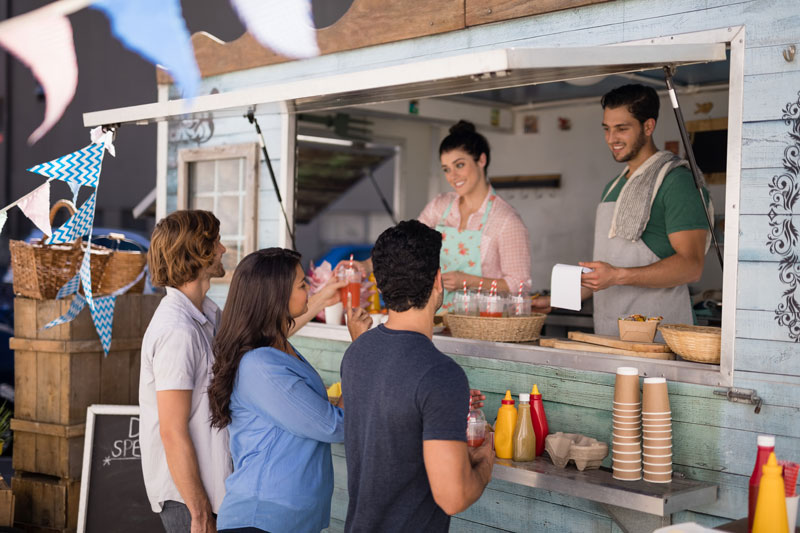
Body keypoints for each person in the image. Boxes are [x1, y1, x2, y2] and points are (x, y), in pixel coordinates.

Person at [140, 211, 345, 533]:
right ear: (197, 252)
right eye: (215, 242)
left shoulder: (206, 314)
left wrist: (316, 300)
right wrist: (199, 513)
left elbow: (261, 343)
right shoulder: (177, 330)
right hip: (189, 495)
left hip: (218, 485)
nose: (223, 250)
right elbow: (172, 430)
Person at [340, 220, 494, 532]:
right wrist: (485, 459)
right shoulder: (441, 374)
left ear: (380, 286)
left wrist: (445, 417)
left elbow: (394, 432)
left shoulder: (357, 352)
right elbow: (453, 497)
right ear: (438, 281)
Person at [208, 248, 371, 533]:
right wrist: (360, 349)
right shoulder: (260, 365)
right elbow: (335, 426)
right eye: (302, 284)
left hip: (289, 520)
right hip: (262, 519)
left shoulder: (279, 349)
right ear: (276, 297)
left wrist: (324, 297)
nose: (310, 287)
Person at [532, 84, 712, 335]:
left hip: (660, 339)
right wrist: (554, 301)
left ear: (648, 127)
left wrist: (617, 275)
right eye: (606, 129)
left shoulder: (677, 181)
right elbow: (605, 275)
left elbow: (692, 266)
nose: (611, 139)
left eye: (621, 129)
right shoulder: (613, 187)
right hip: (610, 335)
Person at [341, 120, 531, 313]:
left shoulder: (506, 220)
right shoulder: (440, 206)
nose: (452, 176)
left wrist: (468, 281)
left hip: (482, 324)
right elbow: (406, 246)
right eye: (446, 169)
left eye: (459, 165)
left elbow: (519, 284)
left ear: (481, 160)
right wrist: (365, 265)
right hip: (436, 320)